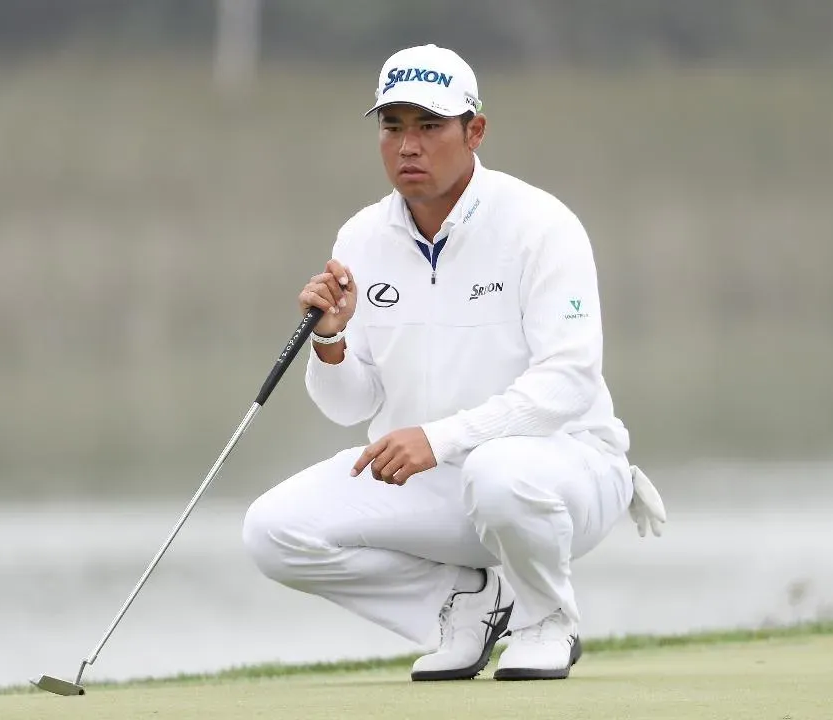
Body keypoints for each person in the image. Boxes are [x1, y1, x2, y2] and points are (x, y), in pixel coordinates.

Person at [242, 44, 666, 682]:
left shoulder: (540, 225)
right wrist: (331, 343)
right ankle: (466, 606)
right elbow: (349, 406)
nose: (407, 145)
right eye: (393, 127)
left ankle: (546, 620)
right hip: (437, 482)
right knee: (272, 531)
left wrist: (440, 439)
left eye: (429, 126)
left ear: (475, 131)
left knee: (498, 471)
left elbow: (568, 382)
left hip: (566, 471)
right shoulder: (361, 237)